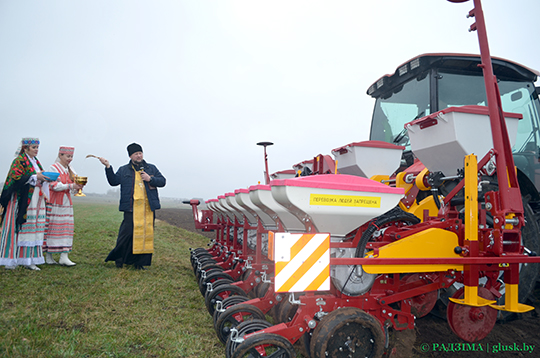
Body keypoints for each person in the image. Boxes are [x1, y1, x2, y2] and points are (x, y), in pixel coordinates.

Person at [99, 143, 166, 270]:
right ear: (130, 156)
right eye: (136, 154)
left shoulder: (151, 168)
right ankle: (119, 260)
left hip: (148, 208)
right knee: (126, 234)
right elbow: (113, 181)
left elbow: (162, 181)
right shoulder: (124, 169)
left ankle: (139, 263)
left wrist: (150, 179)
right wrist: (108, 167)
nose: (139, 156)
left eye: (140, 153)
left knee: (145, 235)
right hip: (131, 208)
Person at [0, 137, 48, 270]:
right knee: (21, 227)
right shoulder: (19, 161)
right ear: (25, 148)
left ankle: (30, 258)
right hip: (23, 199)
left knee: (34, 227)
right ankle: (14, 258)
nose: (36, 150)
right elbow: (15, 178)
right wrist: (34, 177)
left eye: (37, 147)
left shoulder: (35, 162)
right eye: (34, 148)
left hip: (35, 199)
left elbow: (37, 176)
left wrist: (43, 177)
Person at [43, 146, 83, 267]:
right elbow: (53, 185)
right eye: (68, 156)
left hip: (66, 203)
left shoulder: (70, 170)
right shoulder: (53, 168)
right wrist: (70, 186)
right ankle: (48, 256)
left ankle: (64, 255)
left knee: (66, 229)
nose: (70, 159)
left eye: (71, 156)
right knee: (52, 229)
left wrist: (78, 187)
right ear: (60, 155)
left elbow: (72, 185)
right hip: (54, 203)